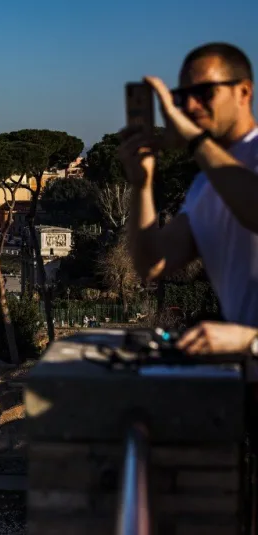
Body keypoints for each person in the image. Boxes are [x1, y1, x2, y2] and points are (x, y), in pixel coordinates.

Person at [120, 43, 258, 353]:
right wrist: (142, 185)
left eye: (205, 93)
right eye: (182, 98)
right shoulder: (204, 184)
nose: (191, 107)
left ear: (244, 92)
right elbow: (152, 264)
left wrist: (249, 340)